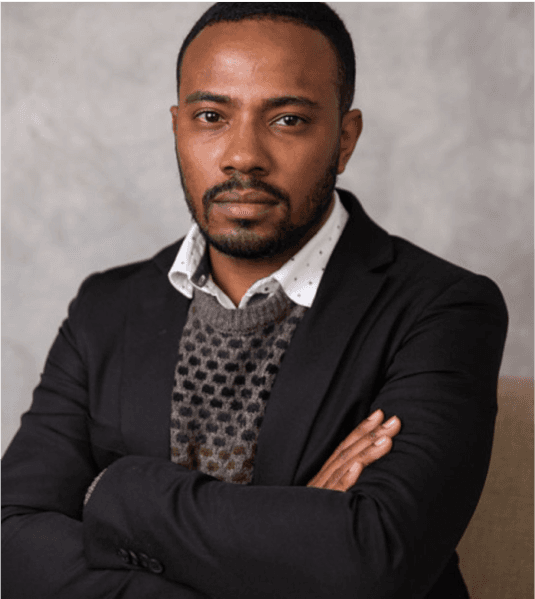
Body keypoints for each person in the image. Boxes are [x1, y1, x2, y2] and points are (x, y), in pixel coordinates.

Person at [1, 3, 508, 598]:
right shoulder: (106, 307)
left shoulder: (443, 309)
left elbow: (374, 561)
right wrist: (289, 539)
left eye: (288, 120)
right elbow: (12, 537)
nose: (243, 155)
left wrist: (111, 493)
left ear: (344, 140)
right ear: (177, 128)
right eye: (211, 116)